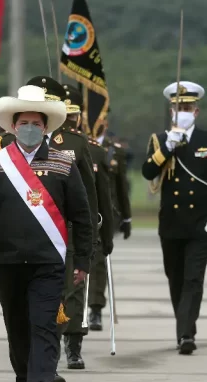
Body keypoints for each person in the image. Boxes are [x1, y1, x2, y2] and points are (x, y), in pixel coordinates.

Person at [0, 85, 92, 382]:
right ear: (13, 126)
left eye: (36, 123)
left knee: (44, 322)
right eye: (24, 123)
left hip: (49, 261)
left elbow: (82, 216)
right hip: (7, 260)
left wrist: (83, 260)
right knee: (17, 324)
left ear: (45, 127)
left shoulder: (64, 164)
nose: (30, 128)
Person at [0, 76, 100, 371]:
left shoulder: (74, 145)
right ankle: (41, 372)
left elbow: (86, 201)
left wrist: (91, 246)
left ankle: (60, 358)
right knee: (28, 313)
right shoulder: (3, 147)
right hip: (17, 247)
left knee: (63, 301)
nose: (30, 128)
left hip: (62, 238)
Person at [141, 81, 207, 355]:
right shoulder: (161, 140)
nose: (182, 111)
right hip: (171, 224)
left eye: (186, 107)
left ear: (196, 111)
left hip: (201, 223)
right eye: (177, 107)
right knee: (175, 278)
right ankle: (183, 325)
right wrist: (167, 148)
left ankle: (186, 333)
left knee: (193, 279)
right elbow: (147, 172)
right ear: (171, 111)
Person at [61, 84, 116, 336]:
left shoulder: (90, 148)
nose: (70, 121)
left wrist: (105, 234)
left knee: (75, 287)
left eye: (73, 116)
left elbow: (99, 196)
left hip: (77, 227)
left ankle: (73, 342)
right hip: (44, 227)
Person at [90, 112, 132, 330]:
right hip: (79, 211)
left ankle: (95, 308)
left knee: (98, 261)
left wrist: (126, 216)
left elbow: (121, 187)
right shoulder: (77, 144)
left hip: (104, 214)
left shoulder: (114, 150)